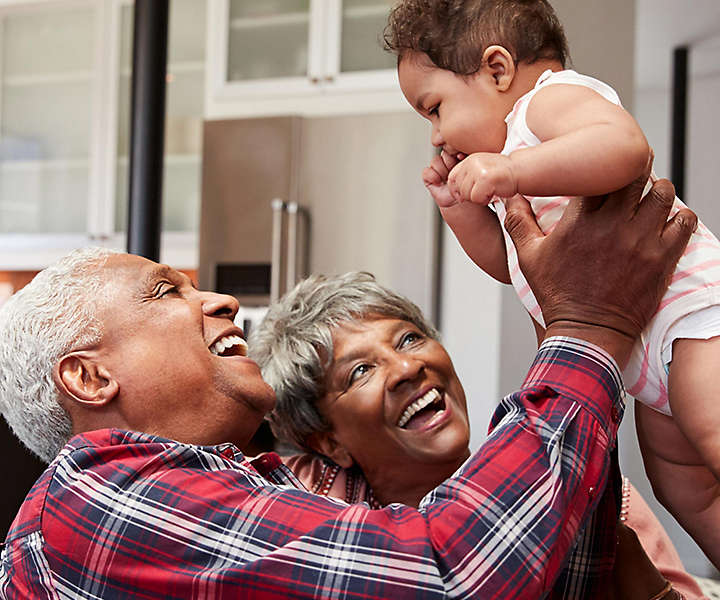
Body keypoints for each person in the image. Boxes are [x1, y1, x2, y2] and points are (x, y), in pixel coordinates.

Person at [0, 176, 693, 598]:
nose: (219, 302)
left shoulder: (245, 488)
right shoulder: (100, 498)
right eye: (164, 291)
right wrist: (586, 328)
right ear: (89, 378)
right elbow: (450, 575)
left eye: (408, 339)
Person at [384, 0, 720, 567]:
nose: (438, 134)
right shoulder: (522, 161)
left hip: (693, 324)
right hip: (646, 361)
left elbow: (625, 148)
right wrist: (460, 210)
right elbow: (515, 264)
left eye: (435, 109)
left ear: (497, 70)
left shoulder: (547, 103)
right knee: (684, 487)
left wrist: (510, 171)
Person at [250, 271, 707, 600]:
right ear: (328, 441)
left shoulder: (572, 484)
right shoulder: (303, 504)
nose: (407, 368)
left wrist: (628, 567)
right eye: (362, 370)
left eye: (408, 339)